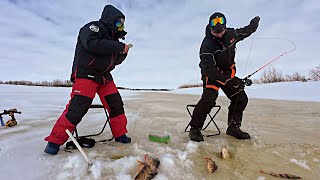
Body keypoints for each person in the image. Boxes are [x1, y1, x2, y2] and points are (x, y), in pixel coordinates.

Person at [44, 5, 132, 155]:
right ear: (110, 20)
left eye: (122, 24)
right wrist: (118, 46)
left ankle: (120, 134)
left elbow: (114, 62)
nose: (120, 27)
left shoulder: (113, 40)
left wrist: (123, 52)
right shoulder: (93, 28)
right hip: (87, 73)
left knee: (115, 104)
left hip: (104, 76)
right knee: (78, 106)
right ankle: (54, 141)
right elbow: (93, 44)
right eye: (118, 23)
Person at [189, 12, 260, 142]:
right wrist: (229, 81)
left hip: (228, 72)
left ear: (225, 26)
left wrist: (253, 25)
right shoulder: (206, 44)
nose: (219, 33)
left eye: (221, 29)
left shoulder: (231, 34)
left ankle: (233, 128)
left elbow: (245, 31)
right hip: (210, 75)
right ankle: (194, 128)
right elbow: (209, 69)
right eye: (215, 31)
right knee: (209, 99)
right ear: (210, 29)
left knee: (241, 98)